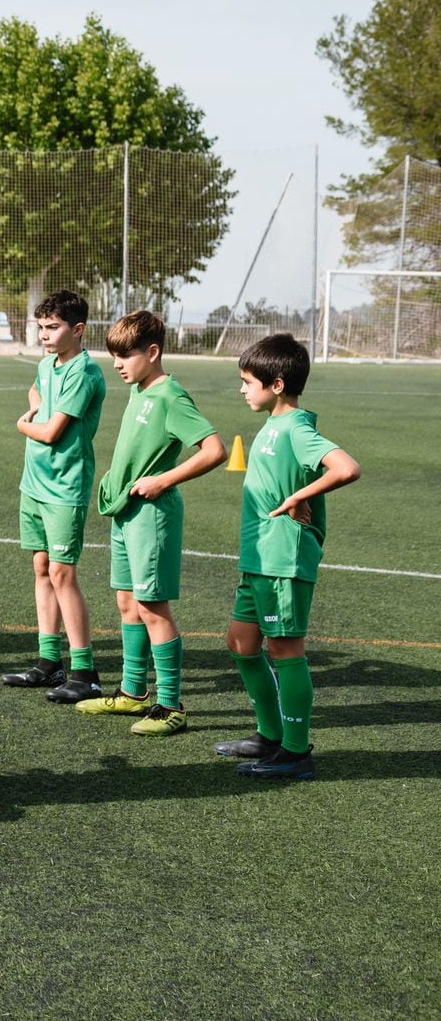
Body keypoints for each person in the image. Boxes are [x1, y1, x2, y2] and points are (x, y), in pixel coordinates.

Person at [74, 311, 226, 737]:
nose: (118, 364)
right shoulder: (140, 390)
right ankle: (133, 692)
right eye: (115, 356)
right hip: (126, 512)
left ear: (153, 352)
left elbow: (215, 450)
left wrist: (163, 479)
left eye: (126, 356)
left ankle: (171, 704)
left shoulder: (171, 396)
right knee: (127, 603)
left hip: (152, 515)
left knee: (152, 607)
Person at [223, 334, 360, 780]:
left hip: (283, 560)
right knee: (242, 644)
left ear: (277, 384)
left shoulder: (298, 428)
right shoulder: (273, 424)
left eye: (248, 382)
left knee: (285, 649)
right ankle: (270, 733)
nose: (243, 390)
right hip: (259, 558)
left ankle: (296, 752)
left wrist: (301, 494)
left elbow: (346, 468)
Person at [5, 290, 109, 703]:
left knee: (64, 574)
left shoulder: (85, 372)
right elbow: (37, 389)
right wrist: (37, 404)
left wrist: (23, 424)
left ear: (78, 329)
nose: (44, 335)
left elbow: (51, 434)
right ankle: (50, 663)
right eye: (41, 327)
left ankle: (85, 671)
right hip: (34, 485)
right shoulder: (48, 365)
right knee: (41, 569)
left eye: (53, 328)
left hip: (65, 489)